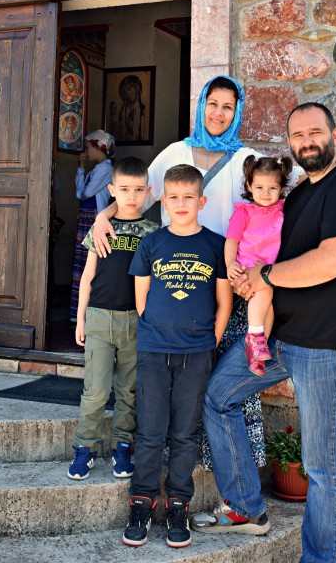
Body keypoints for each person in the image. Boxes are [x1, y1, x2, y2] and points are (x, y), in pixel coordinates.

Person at [191, 103, 336, 563]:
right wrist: (246, 275)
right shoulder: (294, 196)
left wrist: (265, 275)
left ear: (335, 135)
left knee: (321, 463)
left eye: (315, 132)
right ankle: (245, 507)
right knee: (218, 397)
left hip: (326, 344)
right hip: (277, 336)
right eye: (298, 135)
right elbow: (263, 246)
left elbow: (334, 259)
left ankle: (319, 559)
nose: (307, 141)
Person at [94, 75, 286, 473]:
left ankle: (227, 472)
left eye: (228, 107)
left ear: (237, 112)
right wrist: (104, 215)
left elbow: (286, 190)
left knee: (224, 384)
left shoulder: (248, 159)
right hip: (178, 285)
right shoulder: (175, 152)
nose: (219, 113)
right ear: (201, 106)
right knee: (175, 383)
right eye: (213, 104)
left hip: (231, 285)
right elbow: (137, 192)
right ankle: (176, 462)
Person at [122, 164, 233, 549]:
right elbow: (141, 299)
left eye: (188, 197)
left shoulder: (215, 245)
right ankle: (141, 503)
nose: (181, 203)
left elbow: (224, 302)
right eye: (173, 197)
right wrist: (157, 332)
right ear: (163, 201)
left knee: (185, 433)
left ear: (202, 201)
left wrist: (210, 342)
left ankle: (178, 506)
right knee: (150, 432)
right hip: (154, 351)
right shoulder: (152, 243)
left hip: (196, 354)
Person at [68, 156, 159, 481]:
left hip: (135, 321)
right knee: (95, 390)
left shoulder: (153, 233)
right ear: (112, 190)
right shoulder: (101, 228)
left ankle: (123, 445)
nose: (131, 196)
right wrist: (80, 318)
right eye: (124, 189)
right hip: (99, 317)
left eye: (138, 189)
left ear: (147, 191)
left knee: (128, 390)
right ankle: (85, 447)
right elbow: (87, 276)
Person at [225, 155, 293, 376]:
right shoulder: (244, 213)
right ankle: (254, 336)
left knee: (268, 307)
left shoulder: (283, 210)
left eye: (272, 188)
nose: (265, 193)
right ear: (249, 186)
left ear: (281, 188)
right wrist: (230, 263)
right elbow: (231, 241)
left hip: (269, 270)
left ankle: (257, 350)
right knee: (264, 295)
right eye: (259, 187)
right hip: (247, 267)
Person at [69, 130, 115, 325]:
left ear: (98, 147)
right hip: (86, 219)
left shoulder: (105, 169)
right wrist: (80, 168)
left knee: (91, 264)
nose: (86, 151)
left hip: (95, 220)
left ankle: (88, 311)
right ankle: (78, 311)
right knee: (83, 263)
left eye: (88, 147)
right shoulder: (97, 169)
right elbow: (80, 193)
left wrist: (81, 171)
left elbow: (84, 193)